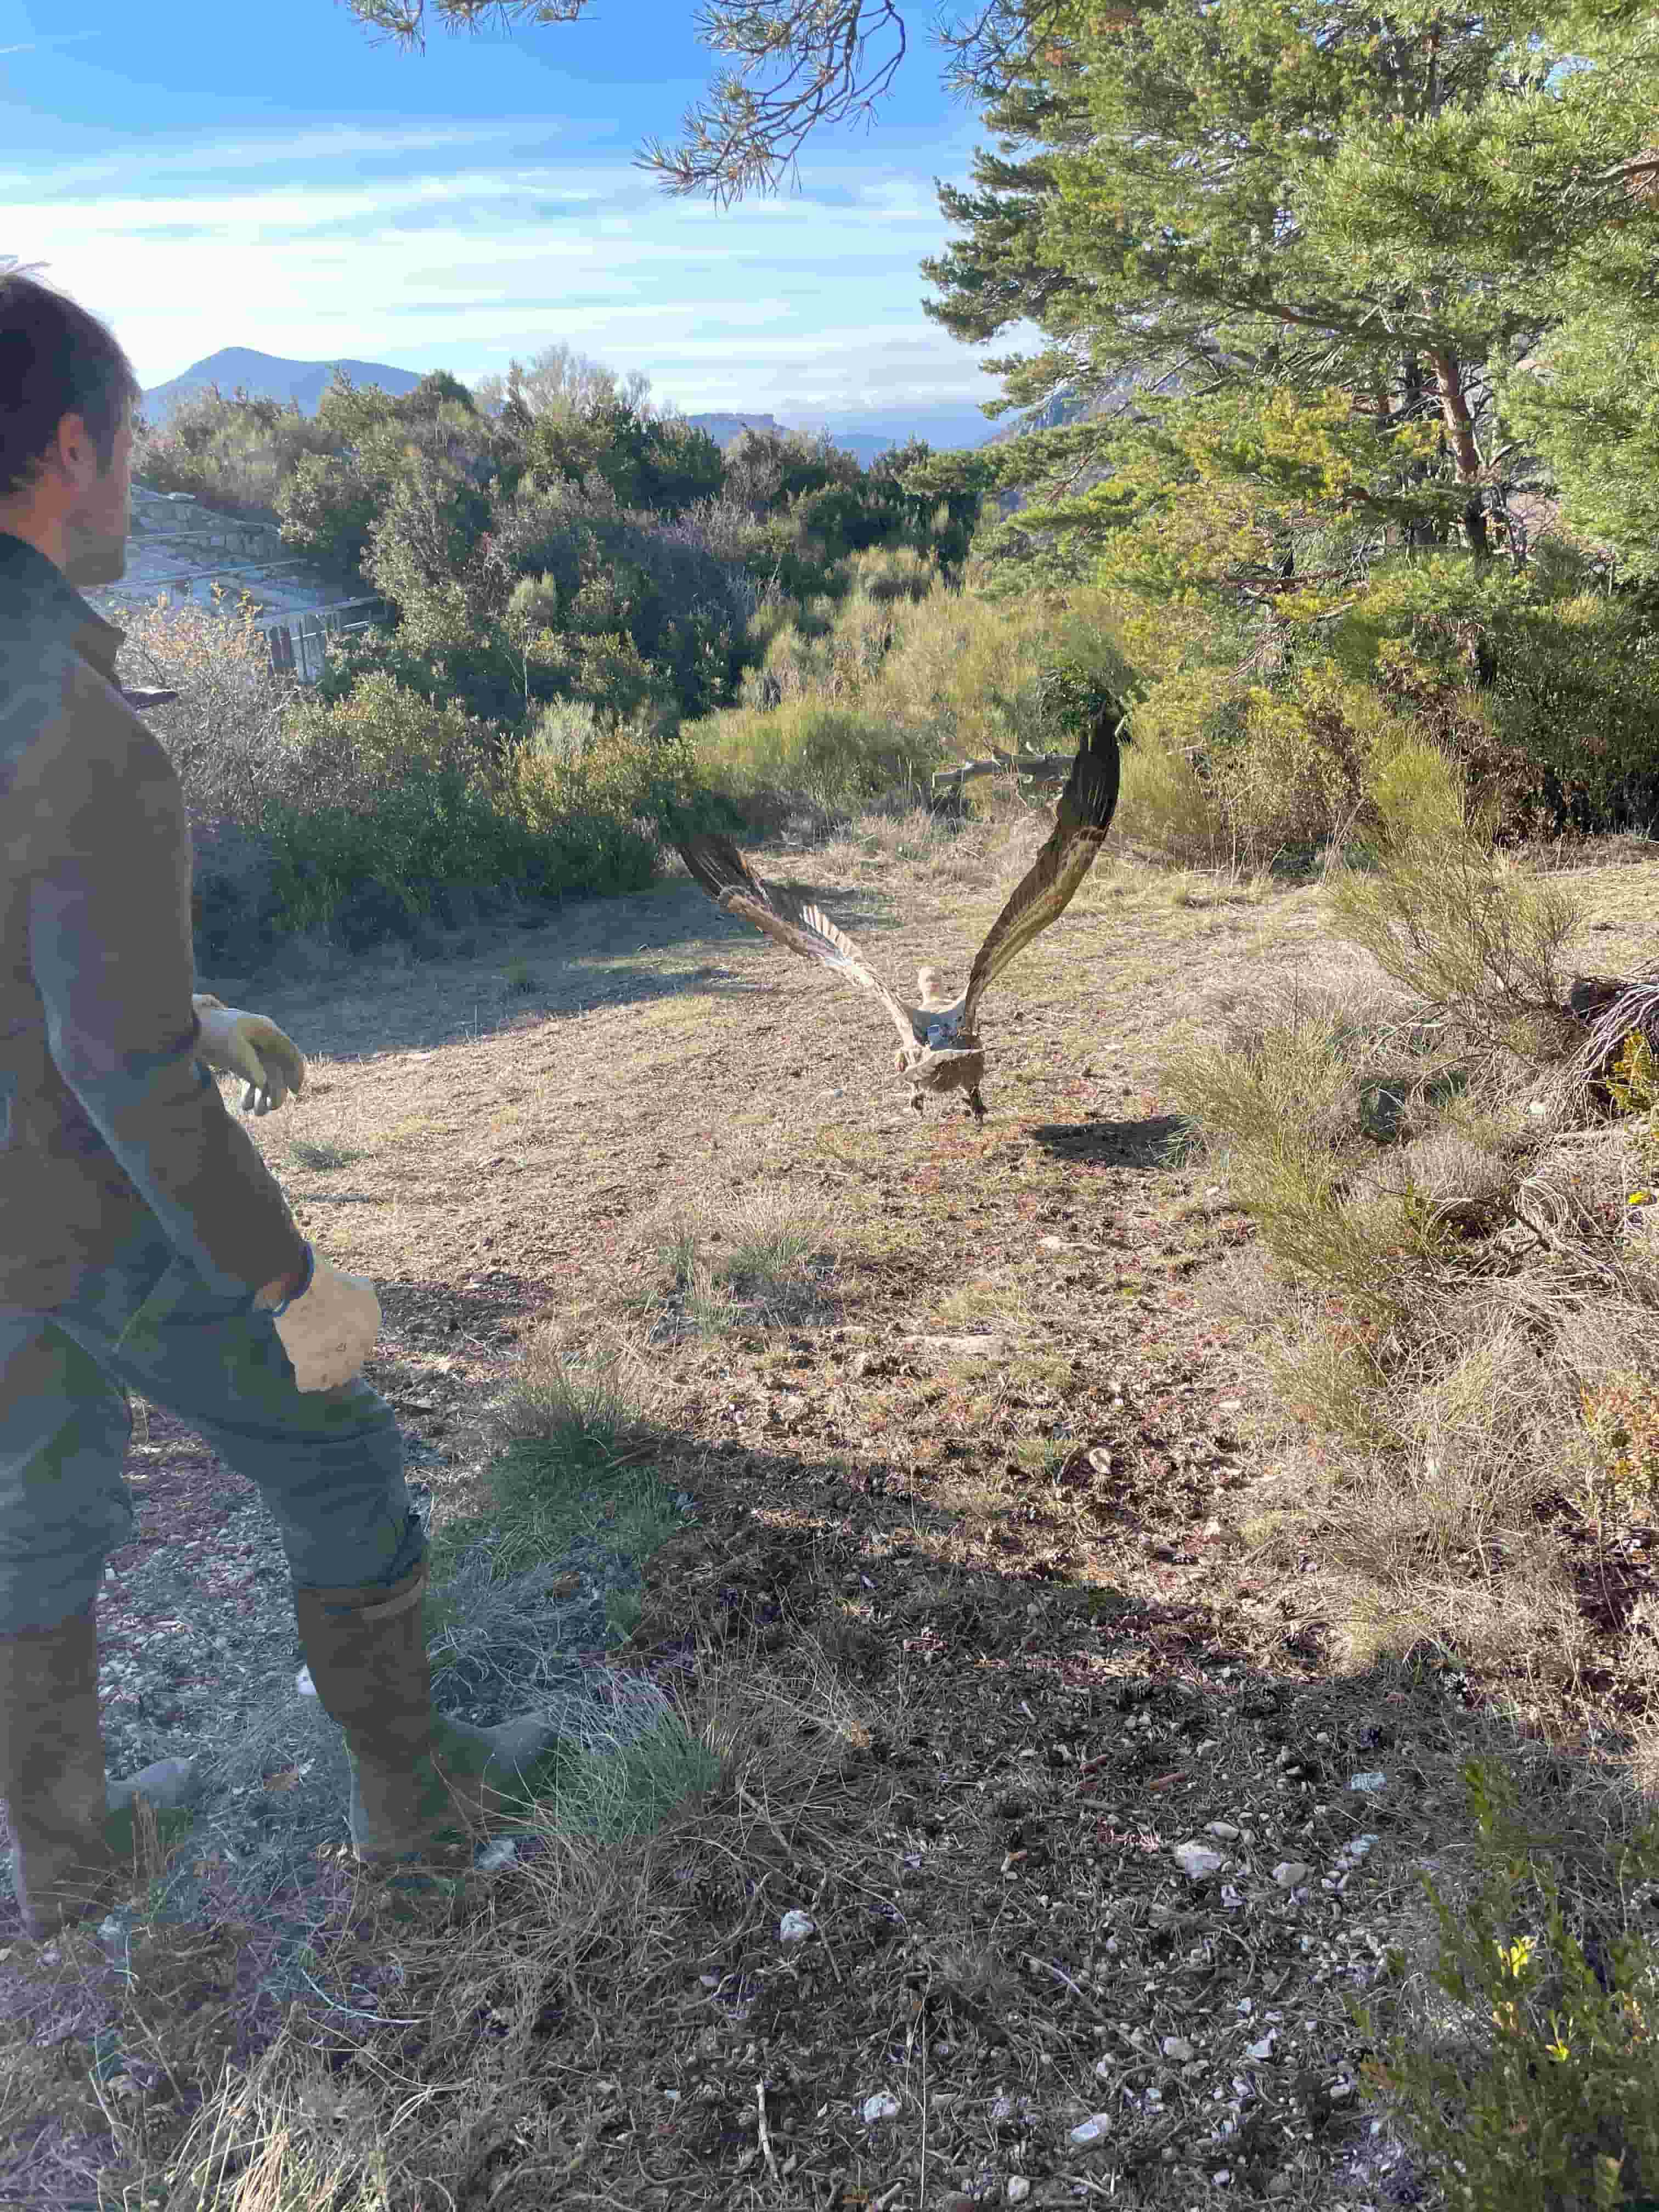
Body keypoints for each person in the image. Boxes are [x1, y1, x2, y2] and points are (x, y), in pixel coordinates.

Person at [0, 269, 557, 1942]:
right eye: (136, 446)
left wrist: (198, 998)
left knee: (34, 1516)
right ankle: (420, 1819)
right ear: (74, 448)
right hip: (98, 1219)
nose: (140, 483)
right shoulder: (81, 728)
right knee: (341, 1457)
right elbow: (122, 1073)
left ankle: (74, 1867)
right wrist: (289, 1283)